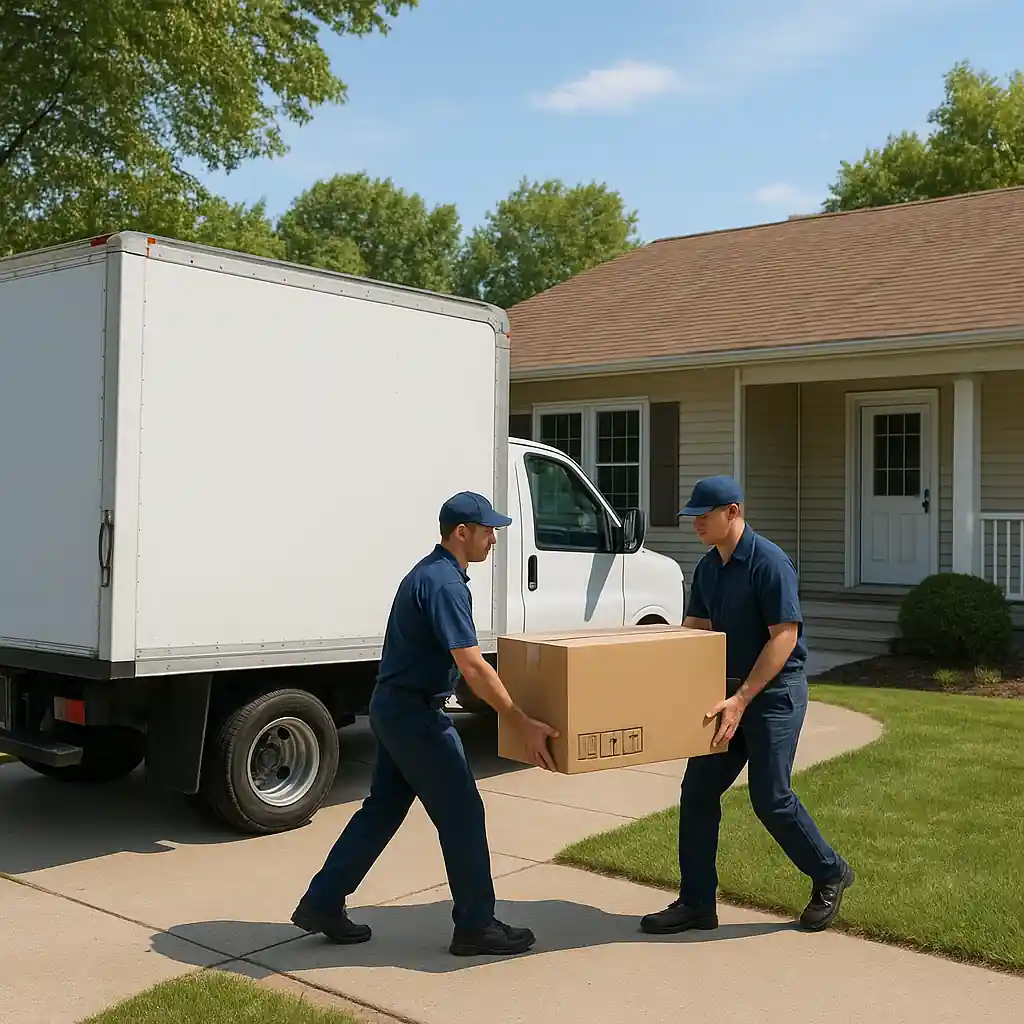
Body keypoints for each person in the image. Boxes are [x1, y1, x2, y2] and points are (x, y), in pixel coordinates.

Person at [291, 491, 559, 957]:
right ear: (462, 532)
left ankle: (323, 901)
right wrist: (518, 719)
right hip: (415, 716)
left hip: (395, 707)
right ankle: (476, 925)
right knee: (463, 814)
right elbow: (472, 665)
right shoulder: (445, 584)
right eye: (487, 530)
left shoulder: (431, 573)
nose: (493, 538)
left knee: (382, 810)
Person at [641, 475, 854, 936]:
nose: (695, 523)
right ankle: (697, 903)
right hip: (728, 696)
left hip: (775, 696)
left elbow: (785, 638)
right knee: (697, 792)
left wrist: (742, 699)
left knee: (770, 798)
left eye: (703, 515)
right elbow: (695, 629)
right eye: (693, 515)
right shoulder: (708, 568)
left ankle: (830, 872)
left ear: (733, 512)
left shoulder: (770, 563)